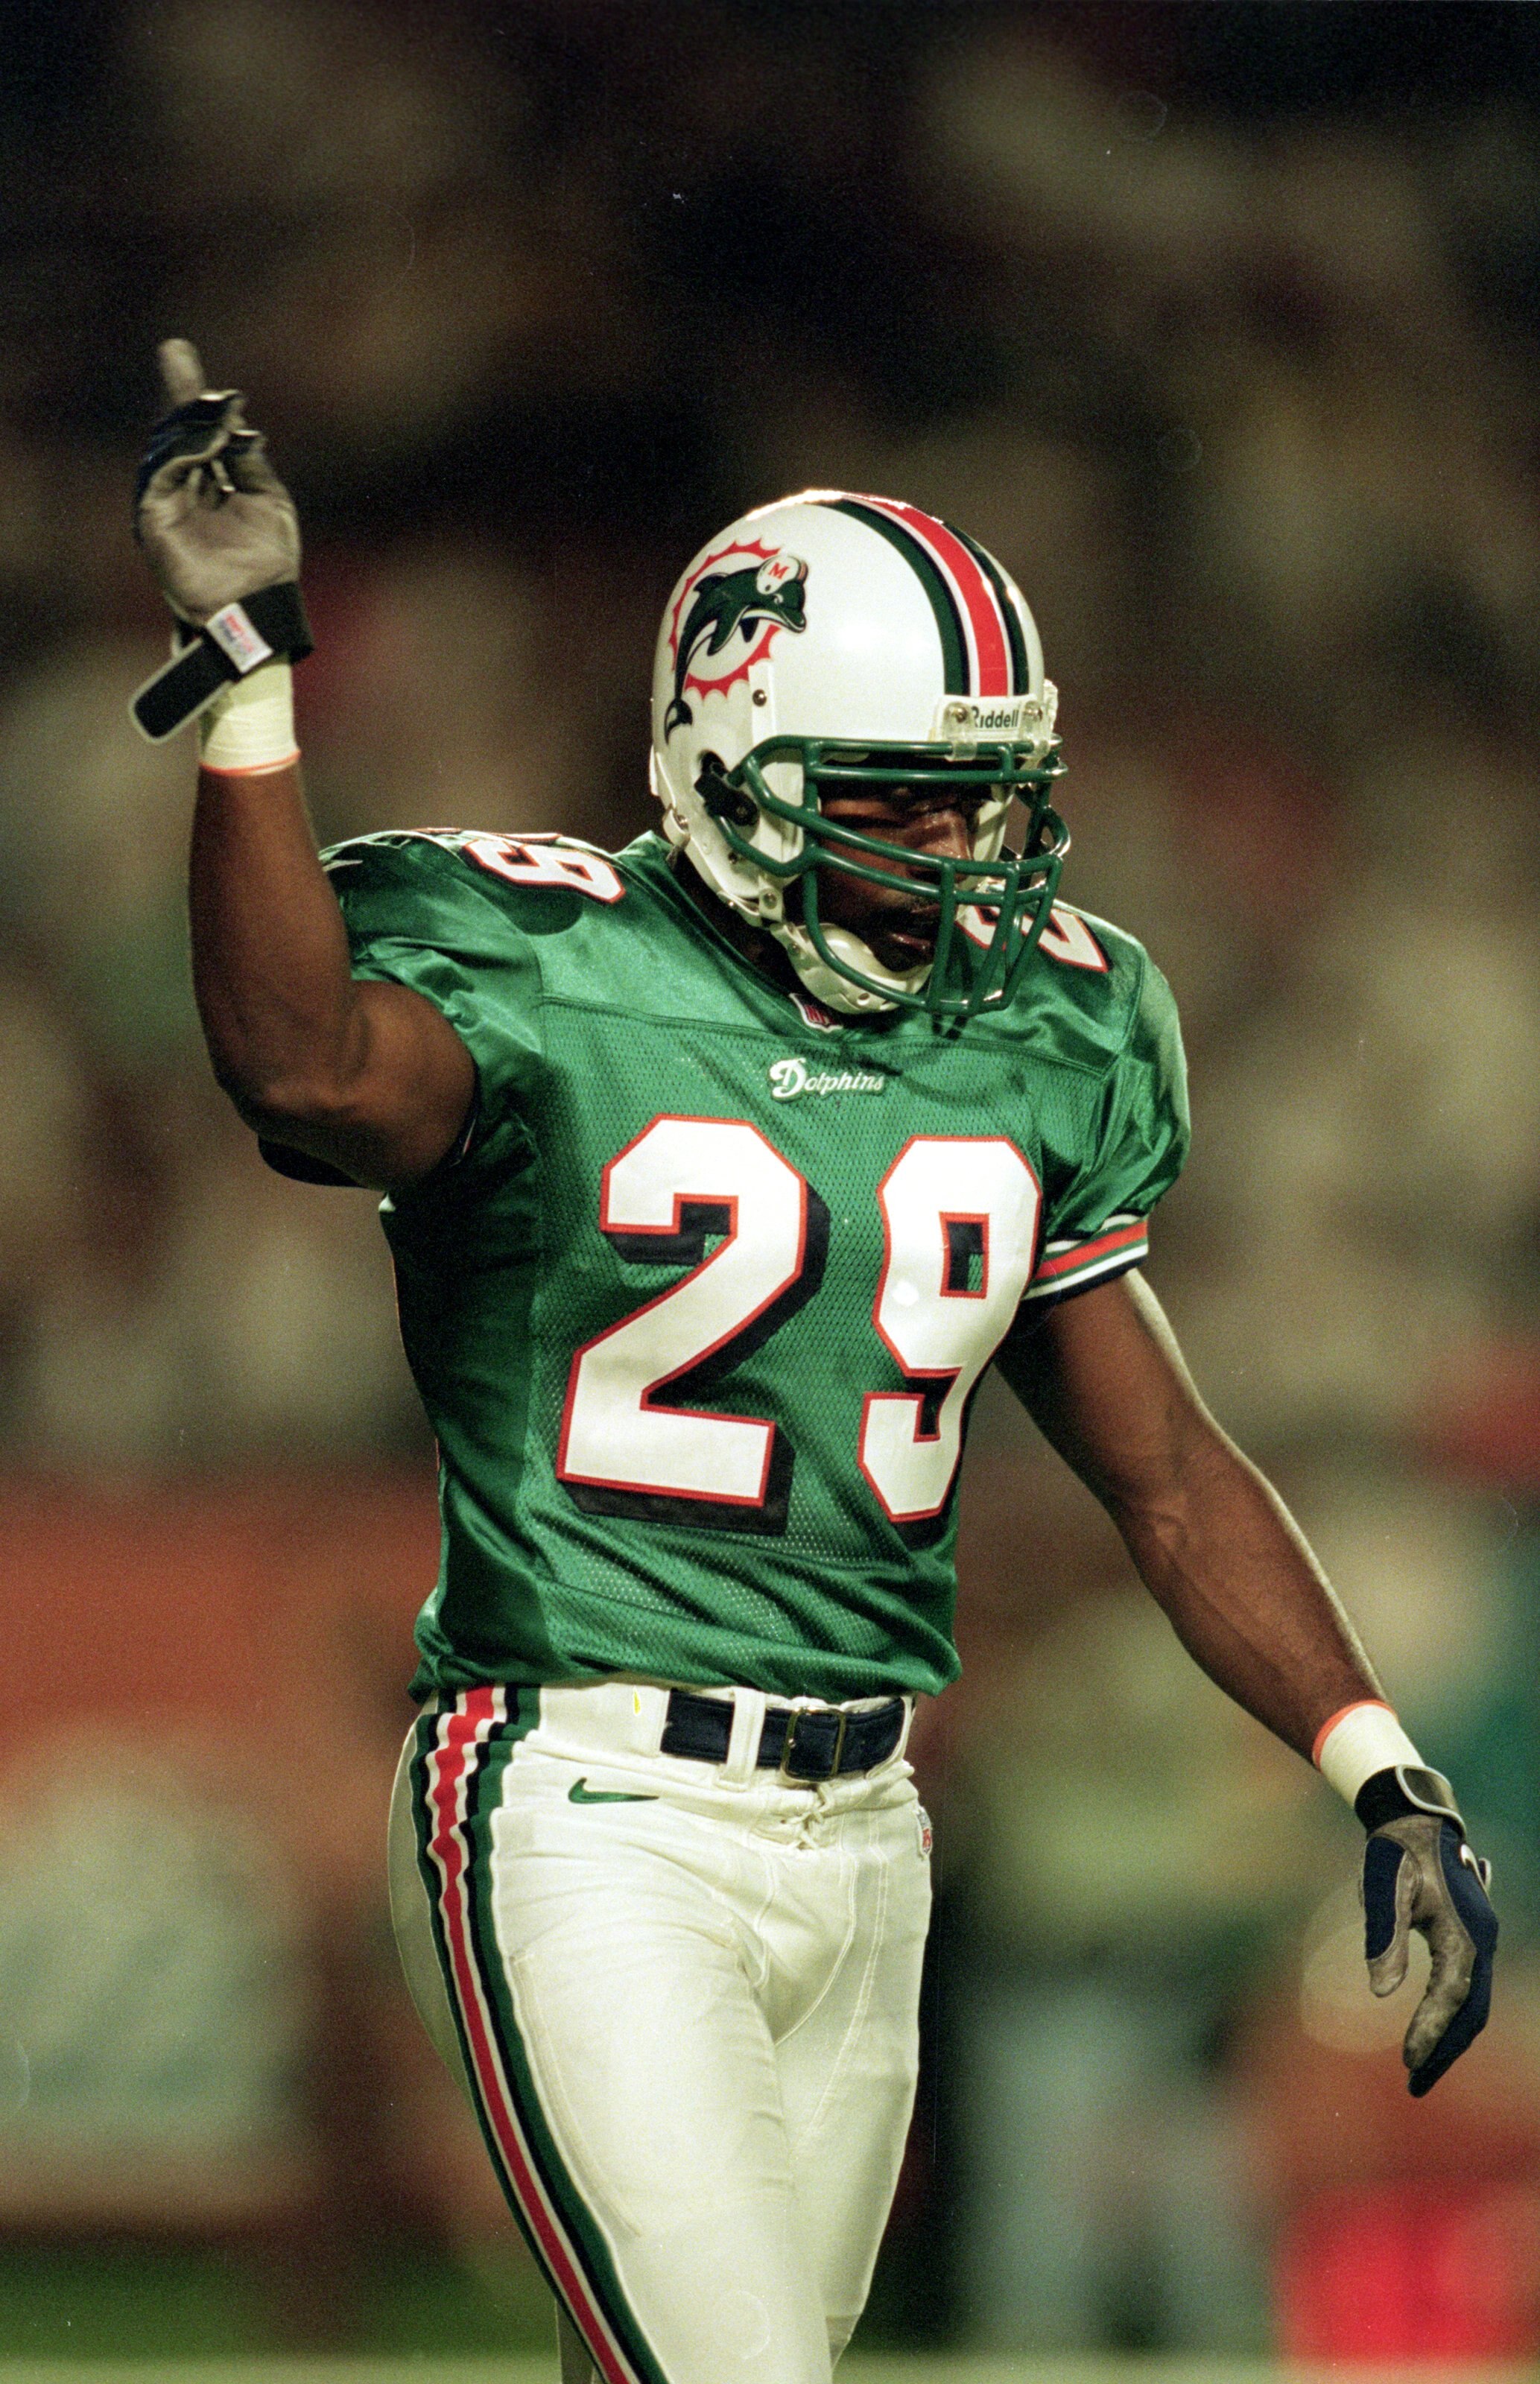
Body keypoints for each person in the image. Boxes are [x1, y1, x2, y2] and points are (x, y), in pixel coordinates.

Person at [131, 340, 1497, 2384]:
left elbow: (1167, 1469)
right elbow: (304, 1060)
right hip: (584, 1802)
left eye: (987, 802)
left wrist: (1374, 1765)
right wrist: (248, 695)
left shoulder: (1047, 1023)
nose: (957, 861)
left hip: (868, 1832)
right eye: (893, 801)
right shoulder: (550, 963)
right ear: (721, 763)